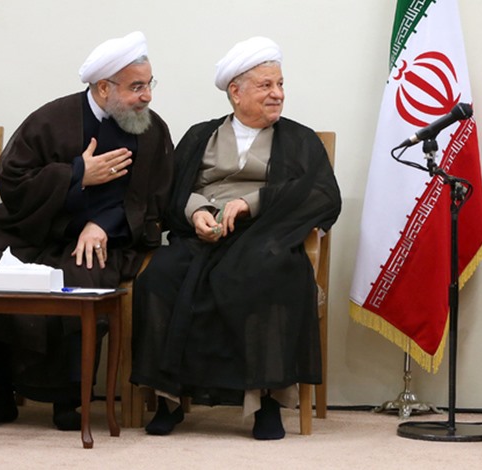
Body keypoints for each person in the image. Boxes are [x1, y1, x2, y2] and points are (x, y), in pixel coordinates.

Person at [130, 36, 341, 440]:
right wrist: (197, 212)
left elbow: (322, 195)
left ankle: (267, 401)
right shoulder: (200, 136)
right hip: (203, 237)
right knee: (158, 278)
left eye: (280, 84)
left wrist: (251, 203)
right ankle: (168, 398)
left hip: (266, 235)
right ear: (236, 92)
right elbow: (169, 191)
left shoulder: (299, 140)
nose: (278, 94)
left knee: (268, 275)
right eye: (266, 85)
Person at [0, 31, 173, 430]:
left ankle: (67, 400)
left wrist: (103, 224)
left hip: (108, 238)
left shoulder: (152, 130)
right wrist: (77, 174)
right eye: (136, 87)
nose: (147, 97)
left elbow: (155, 199)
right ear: (104, 87)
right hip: (34, 229)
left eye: (149, 85)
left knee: (82, 274)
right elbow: (13, 178)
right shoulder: (52, 118)